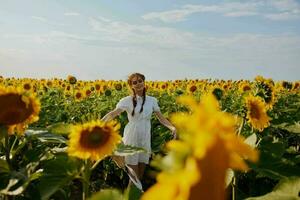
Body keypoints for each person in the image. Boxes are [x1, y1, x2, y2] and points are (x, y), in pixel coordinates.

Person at [101, 73, 177, 187]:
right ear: (131, 86)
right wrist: (99, 123)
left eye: (140, 81)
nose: (138, 84)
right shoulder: (126, 100)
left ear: (144, 82)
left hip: (145, 138)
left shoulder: (152, 101)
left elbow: (161, 118)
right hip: (132, 138)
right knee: (134, 178)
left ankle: (133, 194)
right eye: (134, 82)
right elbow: (113, 113)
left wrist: (172, 127)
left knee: (140, 176)